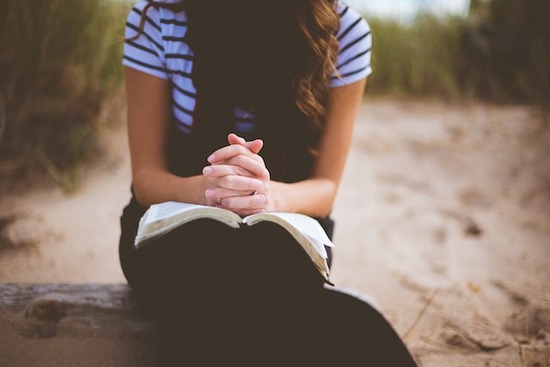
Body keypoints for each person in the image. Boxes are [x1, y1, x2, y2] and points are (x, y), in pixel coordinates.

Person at [118, 0, 418, 365]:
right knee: (211, 276)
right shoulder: (160, 17)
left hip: (286, 229)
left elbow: (325, 188)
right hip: (171, 222)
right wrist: (212, 190)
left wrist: (266, 195)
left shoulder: (344, 33)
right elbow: (147, 179)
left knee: (265, 270)